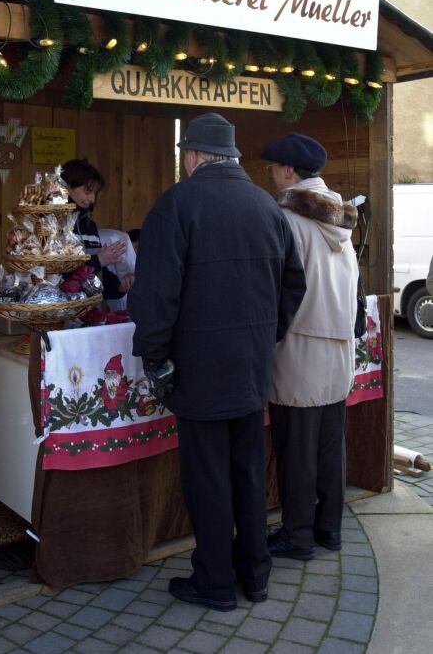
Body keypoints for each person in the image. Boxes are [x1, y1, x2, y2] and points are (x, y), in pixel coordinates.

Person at [128, 113, 306, 612]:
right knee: (248, 471)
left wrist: (156, 359)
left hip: (198, 370)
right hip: (251, 367)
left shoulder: (177, 204)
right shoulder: (268, 209)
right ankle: (256, 575)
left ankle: (215, 582)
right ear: (231, 156)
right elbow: (294, 285)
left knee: (207, 477)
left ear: (192, 156)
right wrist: (266, 336)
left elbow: (155, 295)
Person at [261, 132, 359, 561]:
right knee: (328, 446)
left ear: (288, 171)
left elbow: (279, 290)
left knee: (296, 448)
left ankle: (297, 536)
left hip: (300, 344)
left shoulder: (286, 218)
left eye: (271, 168)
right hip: (338, 345)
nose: (268, 175)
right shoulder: (339, 217)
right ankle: (328, 530)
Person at [61, 159, 134, 299]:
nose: (93, 199)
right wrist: (98, 260)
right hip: (59, 315)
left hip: (89, 314)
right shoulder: (49, 225)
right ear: (68, 188)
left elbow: (97, 275)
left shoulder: (89, 224)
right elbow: (55, 275)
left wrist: (118, 286)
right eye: (88, 192)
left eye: (96, 193)